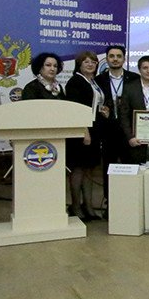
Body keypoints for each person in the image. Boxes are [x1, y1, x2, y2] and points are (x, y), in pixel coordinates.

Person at [64, 51, 106, 220]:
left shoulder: (94, 82)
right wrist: (84, 131)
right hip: (81, 131)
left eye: (93, 62)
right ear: (79, 64)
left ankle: (88, 206)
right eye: (86, 62)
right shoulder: (75, 81)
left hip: (94, 129)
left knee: (89, 169)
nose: (90, 64)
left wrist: (104, 110)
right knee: (78, 168)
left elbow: (95, 104)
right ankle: (75, 206)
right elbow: (75, 109)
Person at [95, 45, 139, 205]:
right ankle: (110, 202)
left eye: (119, 56)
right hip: (108, 131)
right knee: (108, 168)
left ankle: (130, 200)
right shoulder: (98, 80)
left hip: (129, 131)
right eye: (112, 56)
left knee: (131, 166)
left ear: (124, 59)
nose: (115, 59)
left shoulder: (134, 78)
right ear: (107, 59)